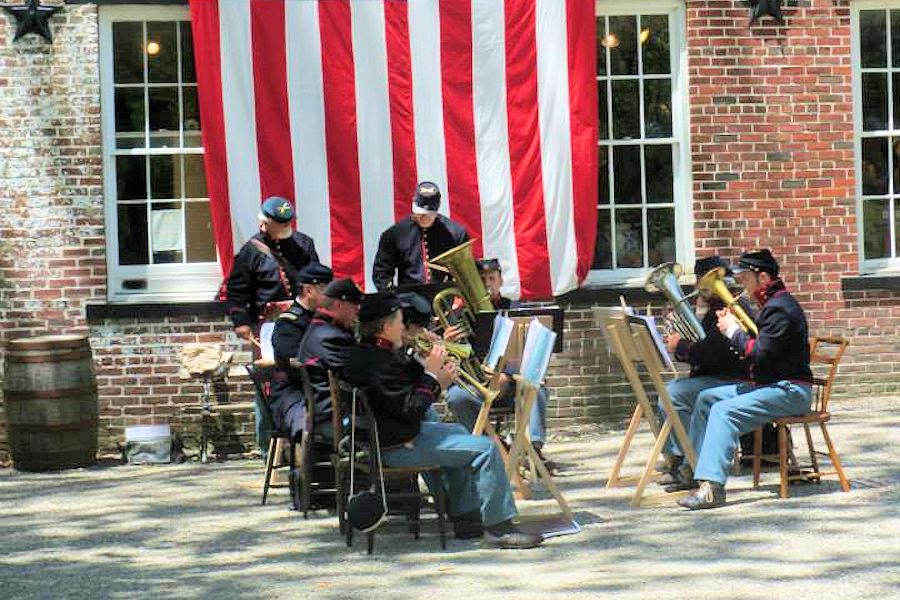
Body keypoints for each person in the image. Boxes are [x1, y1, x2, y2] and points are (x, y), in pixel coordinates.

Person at [344, 293, 543, 549]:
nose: (405, 327)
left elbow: (401, 391)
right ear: (386, 327)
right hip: (395, 446)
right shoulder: (379, 362)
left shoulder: (371, 353)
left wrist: (427, 366)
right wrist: (433, 378)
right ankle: (499, 528)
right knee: (486, 449)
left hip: (392, 435)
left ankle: (466, 518)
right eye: (400, 322)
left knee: (458, 432)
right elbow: (410, 408)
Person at [674, 249, 813, 510]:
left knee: (724, 411)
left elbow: (758, 353)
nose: (740, 285)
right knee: (706, 399)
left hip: (791, 390)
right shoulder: (771, 306)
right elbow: (759, 353)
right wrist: (735, 333)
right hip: (772, 386)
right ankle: (694, 470)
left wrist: (732, 331)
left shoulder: (781, 308)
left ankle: (713, 488)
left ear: (762, 278)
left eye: (745, 278)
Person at [223, 196, 318, 454]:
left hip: (302, 321)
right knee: (270, 378)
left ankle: (303, 439)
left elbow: (315, 280)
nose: (263, 227)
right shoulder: (251, 251)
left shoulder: (304, 245)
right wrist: (240, 321)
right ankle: (268, 443)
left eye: (270, 224)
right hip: (269, 324)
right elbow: (236, 290)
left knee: (305, 374)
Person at [445, 258, 554, 470]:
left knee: (537, 387)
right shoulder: (459, 314)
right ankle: (494, 447)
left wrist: (507, 374)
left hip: (510, 381)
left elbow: (528, 352)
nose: (487, 284)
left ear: (501, 280)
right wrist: (448, 343)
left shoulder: (515, 310)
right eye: (482, 279)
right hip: (477, 384)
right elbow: (449, 360)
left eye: (492, 278)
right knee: (455, 397)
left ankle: (534, 449)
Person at [657, 256, 754, 487]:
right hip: (715, 376)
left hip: (732, 379)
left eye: (704, 281)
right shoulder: (712, 310)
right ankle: (681, 458)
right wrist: (680, 343)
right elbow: (703, 351)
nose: (698, 287)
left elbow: (713, 354)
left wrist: (679, 346)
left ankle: (684, 460)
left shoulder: (729, 308)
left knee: (673, 395)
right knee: (671, 393)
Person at [268, 263, 333, 441]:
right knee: (307, 423)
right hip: (292, 392)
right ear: (309, 290)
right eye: (325, 289)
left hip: (320, 389)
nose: (330, 296)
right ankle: (306, 466)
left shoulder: (324, 319)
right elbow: (296, 364)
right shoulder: (288, 323)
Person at [296, 278, 364, 436]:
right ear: (339, 305)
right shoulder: (331, 337)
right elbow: (359, 376)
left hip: (327, 416)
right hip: (334, 420)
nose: (357, 311)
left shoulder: (321, 328)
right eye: (354, 305)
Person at [372, 181, 468, 291]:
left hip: (445, 298)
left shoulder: (456, 233)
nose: (422, 217)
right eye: (419, 213)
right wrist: (394, 299)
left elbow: (465, 273)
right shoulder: (394, 235)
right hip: (408, 300)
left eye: (427, 215)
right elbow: (381, 273)